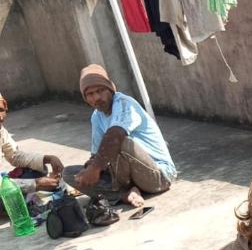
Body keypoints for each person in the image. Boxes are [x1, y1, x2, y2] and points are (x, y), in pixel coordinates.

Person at [63, 64, 176, 208]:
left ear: (110, 89)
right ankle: (125, 194)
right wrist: (89, 168)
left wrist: (96, 168)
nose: (97, 97)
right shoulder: (96, 117)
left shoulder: (124, 104)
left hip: (159, 176)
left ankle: (129, 189)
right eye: (90, 94)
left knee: (118, 141)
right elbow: (96, 154)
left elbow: (115, 135)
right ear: (86, 98)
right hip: (126, 178)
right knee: (69, 173)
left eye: (100, 90)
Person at [0, 90, 64, 194]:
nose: (0, 117)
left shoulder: (1, 130)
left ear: (5, 106)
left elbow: (14, 155)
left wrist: (48, 158)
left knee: (38, 169)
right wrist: (36, 184)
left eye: (0, 110)